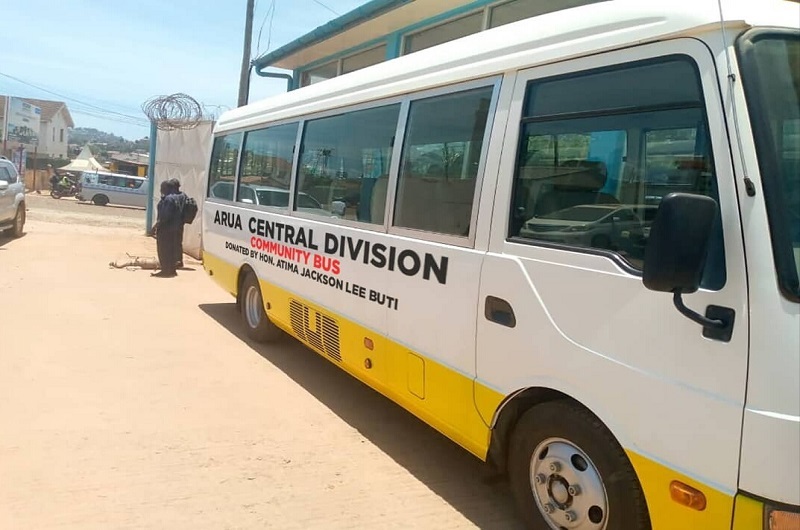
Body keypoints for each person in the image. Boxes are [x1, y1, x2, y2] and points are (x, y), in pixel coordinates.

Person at [150, 180, 183, 278]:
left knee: (164, 250)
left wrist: (155, 227)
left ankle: (165, 271)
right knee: (171, 250)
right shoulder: (174, 198)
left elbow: (164, 216)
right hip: (173, 229)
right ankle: (171, 270)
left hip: (165, 230)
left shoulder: (168, 200)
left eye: (162, 188)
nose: (161, 190)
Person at [168, 178, 188, 269]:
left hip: (171, 223)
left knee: (170, 242)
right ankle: (179, 261)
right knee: (178, 243)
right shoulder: (184, 195)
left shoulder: (171, 196)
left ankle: (172, 261)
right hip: (180, 224)